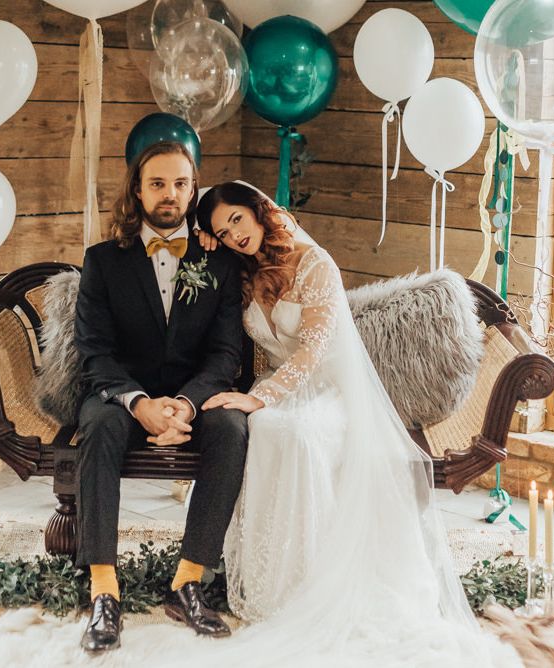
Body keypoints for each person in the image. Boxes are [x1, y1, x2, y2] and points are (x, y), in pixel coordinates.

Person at [183, 181, 524, 666]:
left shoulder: (315, 263)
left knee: (290, 431)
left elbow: (315, 349)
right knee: (263, 428)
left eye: (236, 219)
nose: (234, 234)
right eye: (222, 229)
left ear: (258, 211)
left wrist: (261, 397)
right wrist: (206, 242)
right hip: (278, 384)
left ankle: (313, 581)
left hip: (328, 390)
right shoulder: (242, 269)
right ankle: (272, 583)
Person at [73, 143, 248, 653]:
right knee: (100, 427)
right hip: (121, 394)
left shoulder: (220, 262)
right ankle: (104, 589)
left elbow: (224, 352)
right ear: (137, 189)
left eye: (179, 183)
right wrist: (139, 403)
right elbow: (94, 350)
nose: (169, 194)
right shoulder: (103, 261)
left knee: (232, 428)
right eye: (157, 184)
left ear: (193, 189)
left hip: (194, 397)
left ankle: (188, 580)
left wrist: (189, 405)